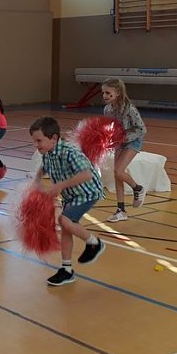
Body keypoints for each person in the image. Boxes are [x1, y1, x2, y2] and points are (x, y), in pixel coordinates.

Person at [30, 116, 105, 287]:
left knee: (64, 220)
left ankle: (94, 243)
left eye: (39, 140)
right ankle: (67, 270)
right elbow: (44, 167)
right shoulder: (48, 153)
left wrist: (60, 185)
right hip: (71, 195)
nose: (36, 145)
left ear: (54, 138)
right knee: (66, 228)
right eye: (34, 141)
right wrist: (37, 179)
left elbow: (87, 174)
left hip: (87, 193)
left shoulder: (70, 152)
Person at [101, 78, 148, 222]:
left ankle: (137, 188)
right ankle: (121, 210)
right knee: (117, 175)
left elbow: (142, 129)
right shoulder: (107, 109)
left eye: (108, 93)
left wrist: (124, 138)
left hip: (133, 141)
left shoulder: (129, 109)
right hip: (119, 142)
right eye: (103, 92)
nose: (104, 96)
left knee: (118, 171)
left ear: (118, 93)